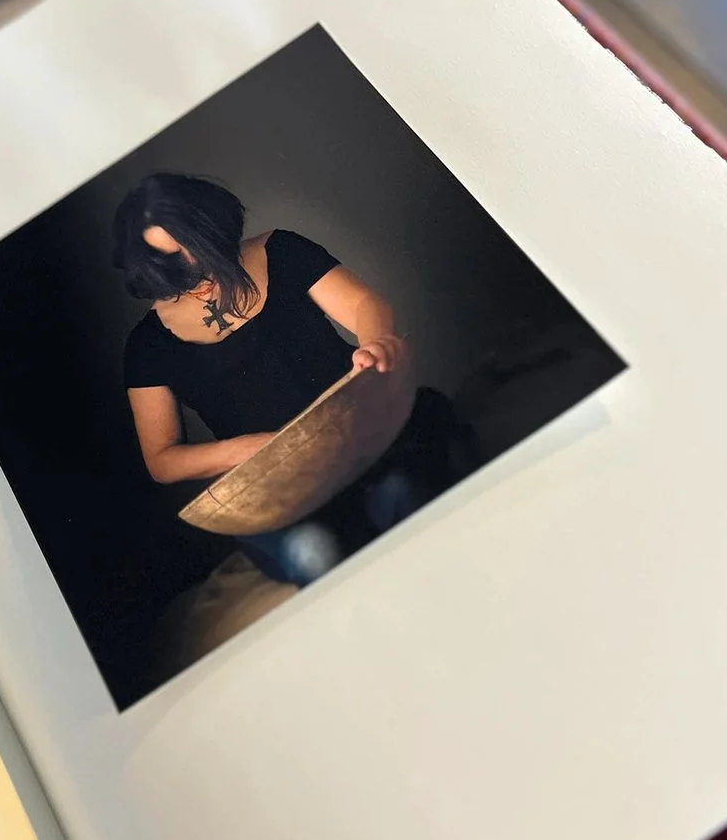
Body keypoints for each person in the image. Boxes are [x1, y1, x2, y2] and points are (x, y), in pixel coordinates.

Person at [115, 172, 467, 587]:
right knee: (313, 553)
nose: (195, 265)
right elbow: (162, 459)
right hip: (278, 490)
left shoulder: (281, 250)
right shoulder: (148, 345)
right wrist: (245, 450)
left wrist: (375, 342)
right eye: (174, 258)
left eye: (199, 245)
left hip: (361, 439)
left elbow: (364, 304)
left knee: (404, 493)